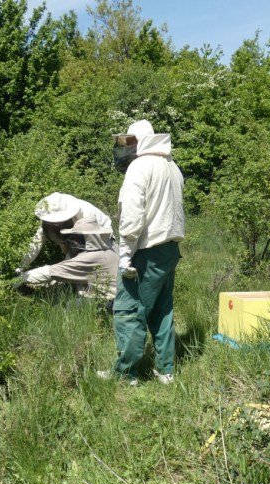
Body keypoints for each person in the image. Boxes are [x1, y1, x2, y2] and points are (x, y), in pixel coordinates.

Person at [99, 119, 185, 385]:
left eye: (130, 142)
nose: (126, 149)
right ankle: (166, 369)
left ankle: (126, 374)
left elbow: (133, 216)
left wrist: (125, 253)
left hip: (145, 250)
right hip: (170, 249)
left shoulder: (139, 166)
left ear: (141, 141)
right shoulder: (172, 166)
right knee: (162, 309)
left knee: (128, 310)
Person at [18, 217, 119, 306]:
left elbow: (49, 272)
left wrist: (17, 280)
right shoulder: (110, 251)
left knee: (65, 307)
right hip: (119, 299)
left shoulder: (89, 258)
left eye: (75, 237)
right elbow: (62, 275)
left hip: (109, 303)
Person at [18, 192, 113, 272]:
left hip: (102, 238)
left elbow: (83, 249)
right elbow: (37, 242)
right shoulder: (49, 216)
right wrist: (20, 266)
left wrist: (61, 270)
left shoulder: (86, 217)